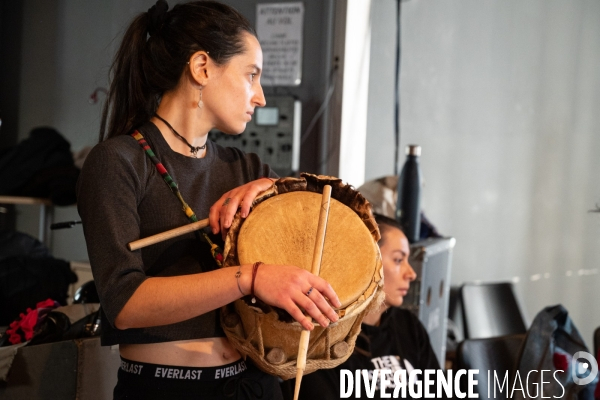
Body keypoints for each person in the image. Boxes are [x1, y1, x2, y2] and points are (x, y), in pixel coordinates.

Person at [76, 1, 340, 399]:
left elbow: (337, 224)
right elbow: (125, 303)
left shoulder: (247, 168)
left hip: (251, 383)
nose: (261, 97)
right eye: (251, 75)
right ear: (202, 68)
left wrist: (283, 191)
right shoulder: (119, 161)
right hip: (164, 389)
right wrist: (250, 278)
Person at [282, 214, 445, 399]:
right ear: (366, 260)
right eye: (399, 260)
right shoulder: (321, 338)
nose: (412, 274)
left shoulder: (408, 325)